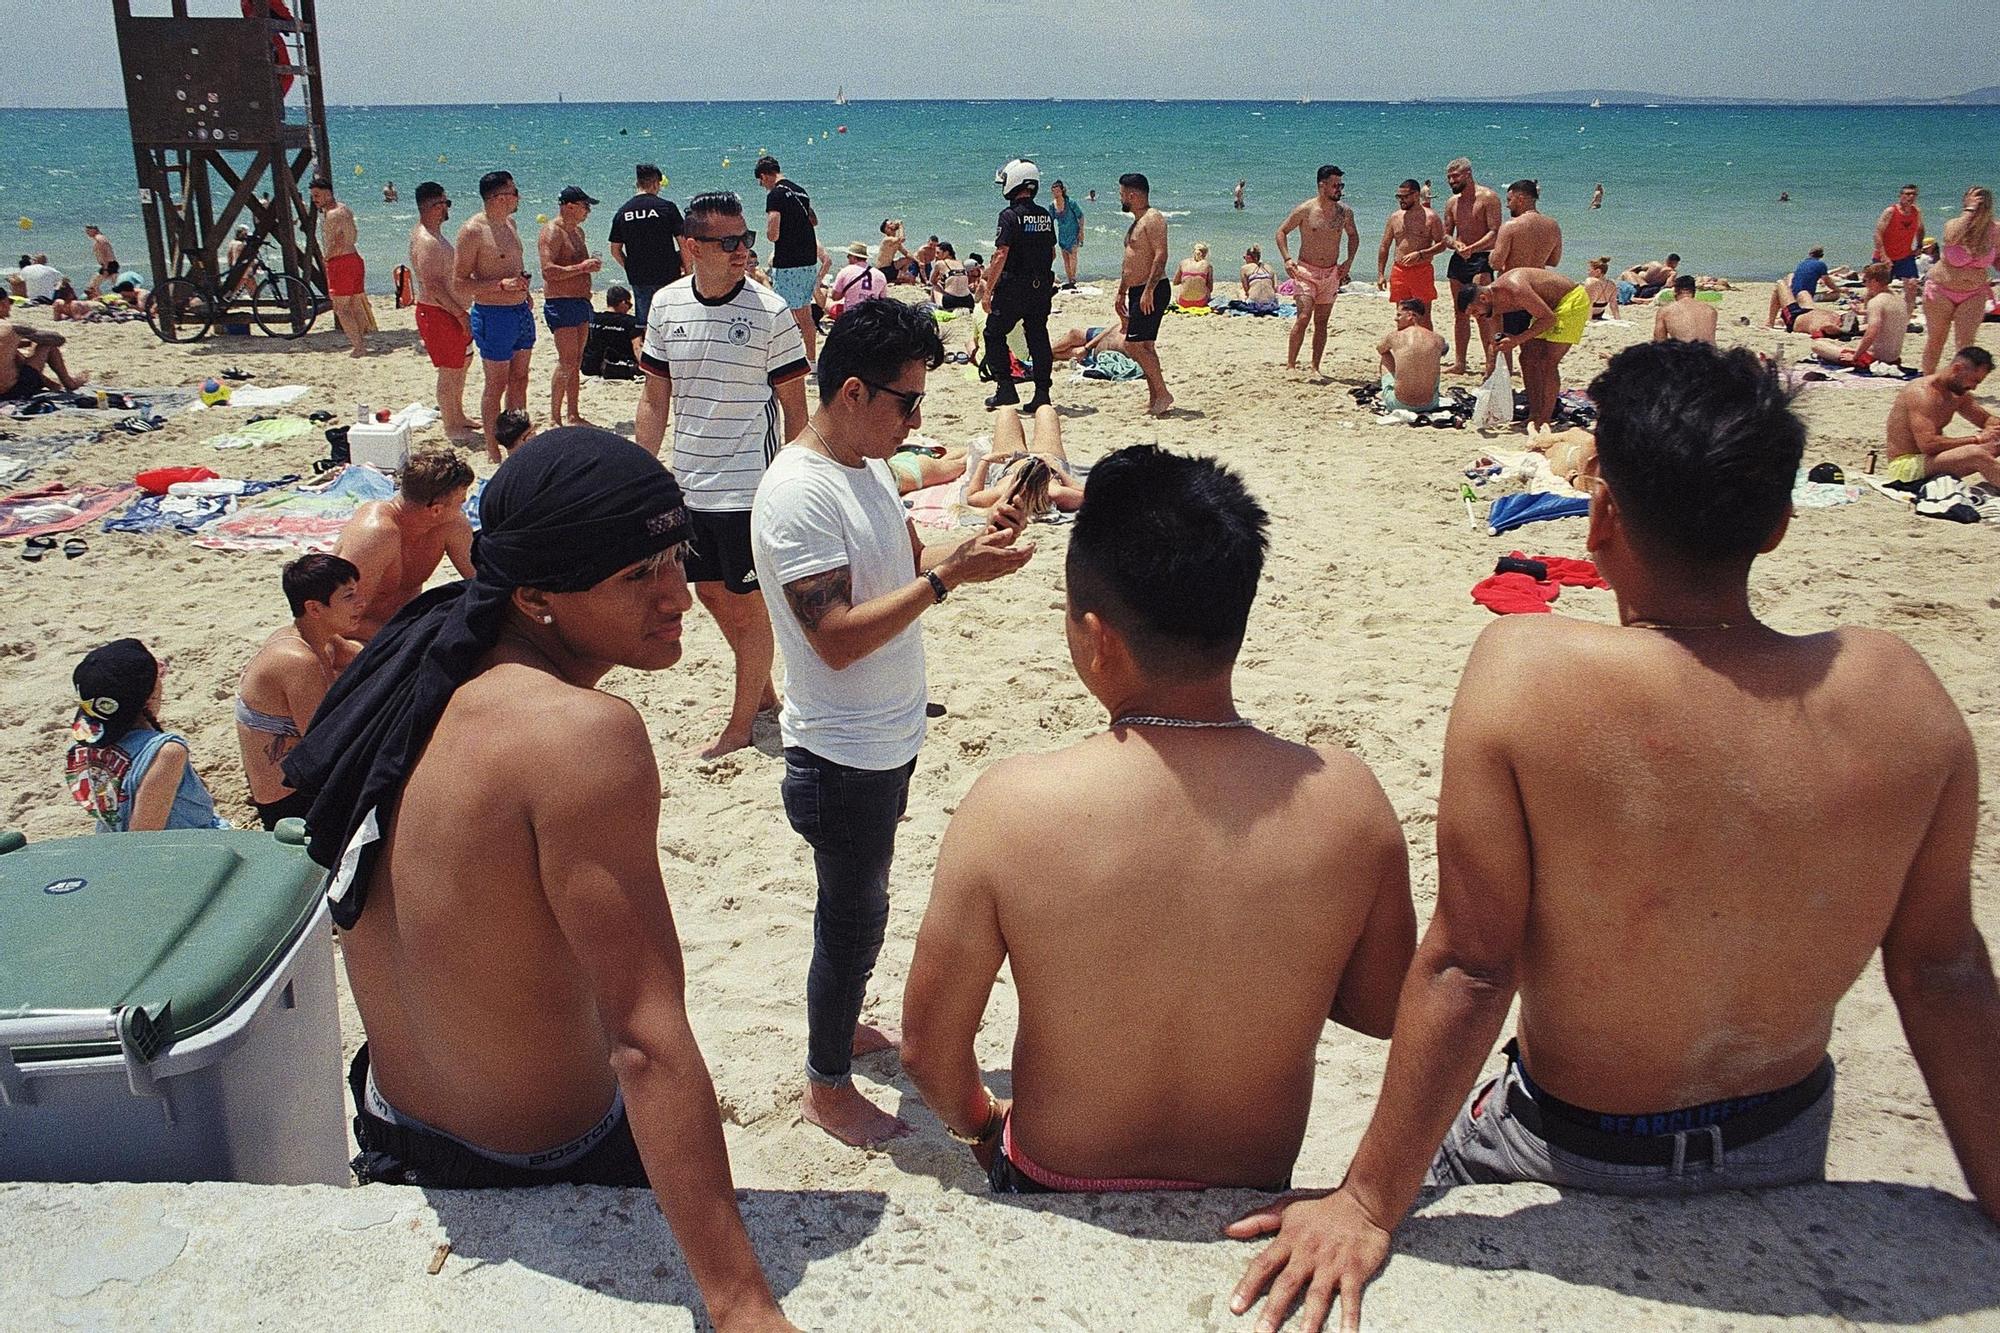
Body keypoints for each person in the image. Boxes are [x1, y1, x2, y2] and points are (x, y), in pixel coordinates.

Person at [1226, 341, 2000, 1333]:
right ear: (1774, 524)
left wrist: (1368, 1200)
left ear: (1599, 519)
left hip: (1569, 1145)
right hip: (1779, 1137)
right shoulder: (1899, 693)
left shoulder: (1527, 677)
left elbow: (1468, 966)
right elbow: (1941, 972)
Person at [282, 430, 801, 1333]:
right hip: (541, 1160)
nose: (679, 593)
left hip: (392, 1124)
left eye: (675, 556)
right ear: (535, 597)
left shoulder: (422, 664)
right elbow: (644, 1034)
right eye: (638, 574)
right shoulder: (580, 737)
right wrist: (742, 1301)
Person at [902, 443, 1415, 1194]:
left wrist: (981, 1125)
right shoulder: (1347, 802)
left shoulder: (1012, 809)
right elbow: (1381, 1008)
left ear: (1096, 637)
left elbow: (927, 1049)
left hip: (1059, 1177)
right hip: (1250, 1191)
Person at [749, 300, 1034, 1148]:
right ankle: (824, 1086)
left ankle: (839, 1037)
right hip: (839, 752)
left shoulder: (866, 463)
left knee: (859, 905)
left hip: (884, 736)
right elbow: (833, 637)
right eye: (905, 402)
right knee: (852, 916)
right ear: (848, 391)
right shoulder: (798, 494)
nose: (916, 419)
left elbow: (904, 567)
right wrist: (950, 586)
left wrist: (974, 549)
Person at [636, 191, 809, 760]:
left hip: (748, 487)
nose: (742, 251)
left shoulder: (770, 311)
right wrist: (643, 469)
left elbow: (795, 406)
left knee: (749, 603)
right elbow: (655, 396)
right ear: (692, 248)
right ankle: (761, 694)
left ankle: (741, 726)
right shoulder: (664, 305)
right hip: (687, 483)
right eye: (728, 242)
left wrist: (792, 478)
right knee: (708, 591)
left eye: (746, 239)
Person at [236, 554, 364, 830]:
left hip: (303, 782)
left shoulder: (317, 637)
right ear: (315, 609)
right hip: (288, 803)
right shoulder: (298, 660)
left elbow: (367, 659)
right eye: (349, 596)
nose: (361, 603)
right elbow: (325, 746)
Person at [65, 639, 229, 833]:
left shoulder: (86, 742)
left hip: (111, 841)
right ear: (151, 695)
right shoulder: (167, 752)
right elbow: (142, 840)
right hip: (179, 852)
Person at [333, 448, 477, 640]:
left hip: (403, 629)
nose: (464, 507)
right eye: (461, 502)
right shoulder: (376, 534)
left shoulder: (450, 525)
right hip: (353, 636)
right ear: (435, 510)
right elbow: (334, 619)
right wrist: (405, 638)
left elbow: (481, 581)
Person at [456, 169, 536, 464]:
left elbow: (514, 264)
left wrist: (522, 289)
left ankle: (517, 439)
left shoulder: (510, 224)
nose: (518, 197)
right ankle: (492, 445)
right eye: (515, 192)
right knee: (496, 384)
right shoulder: (473, 231)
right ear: (500, 197)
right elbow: (460, 282)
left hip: (518, 312)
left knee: (521, 378)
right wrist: (500, 286)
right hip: (493, 314)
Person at [1459, 266, 1587, 427]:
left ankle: (1545, 418)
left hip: (1570, 300)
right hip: (1546, 309)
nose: (1476, 316)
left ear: (1483, 298)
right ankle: (1534, 413)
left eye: (1475, 311)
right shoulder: (1491, 306)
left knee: (1548, 361)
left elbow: (1549, 319)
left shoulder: (1516, 288)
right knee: (1527, 358)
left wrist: (1517, 339)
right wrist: (1491, 369)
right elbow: (1495, 340)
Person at [981, 159, 1060, 412]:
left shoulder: (1009, 216)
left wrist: (988, 291)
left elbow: (1001, 254)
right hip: (1041, 287)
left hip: (1014, 288)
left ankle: (1005, 389)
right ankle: (1042, 394)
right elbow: (1052, 253)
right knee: (1038, 335)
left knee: (993, 333)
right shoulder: (1044, 215)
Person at [407, 181, 479, 445]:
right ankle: (451, 424)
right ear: (435, 206)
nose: (448, 208)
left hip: (447, 310)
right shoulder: (427, 240)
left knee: (462, 363)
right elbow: (432, 285)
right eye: (446, 203)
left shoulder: (432, 235)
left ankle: (458, 415)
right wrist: (460, 315)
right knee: (449, 369)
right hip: (438, 312)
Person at [1276, 165, 1359, 375]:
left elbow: (1353, 236)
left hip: (1331, 273)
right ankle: (1291, 364)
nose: (1339, 189)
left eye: (1341, 185)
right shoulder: (1306, 210)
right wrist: (1287, 259)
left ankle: (1315, 366)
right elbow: (1281, 232)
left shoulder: (1345, 212)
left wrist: (1349, 261)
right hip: (1305, 271)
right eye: (1335, 185)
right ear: (1322, 185)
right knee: (1304, 316)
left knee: (1321, 322)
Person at [1884, 346, 2000, 486]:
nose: (1974, 387)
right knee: (1976, 454)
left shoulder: (1957, 393)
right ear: (1957, 369)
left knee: (1996, 444)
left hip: (1932, 459)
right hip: (1906, 467)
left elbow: (1985, 420)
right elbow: (1928, 445)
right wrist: (1978, 439)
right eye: (1974, 380)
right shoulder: (1922, 394)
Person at [539, 185, 603, 428]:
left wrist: (588, 269)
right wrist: (581, 268)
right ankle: (555, 417)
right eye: (585, 206)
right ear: (569, 206)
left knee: (576, 361)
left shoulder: (579, 233)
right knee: (566, 361)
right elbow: (548, 272)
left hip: (580, 302)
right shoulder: (551, 232)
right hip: (560, 302)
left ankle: (573, 414)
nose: (588, 211)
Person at [1919, 186, 1997, 375]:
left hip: (1974, 292)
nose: (1979, 208)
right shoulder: (1954, 224)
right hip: (1941, 289)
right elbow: (1951, 238)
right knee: (1936, 339)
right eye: (1974, 203)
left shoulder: (1995, 231)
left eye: (1982, 204)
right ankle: (1927, 382)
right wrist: (1969, 212)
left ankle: (1959, 384)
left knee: (1965, 343)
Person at [755, 156, 821, 368]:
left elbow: (773, 232)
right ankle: (811, 360)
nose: (762, 185)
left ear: (765, 175)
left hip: (789, 260)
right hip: (808, 258)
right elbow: (813, 220)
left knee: (782, 313)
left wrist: (769, 234)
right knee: (805, 313)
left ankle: (783, 360)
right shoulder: (801, 191)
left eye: (760, 181)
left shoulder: (775, 194)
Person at [1116, 171, 1173, 415]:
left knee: (1135, 346)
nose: (1121, 199)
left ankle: (1163, 393)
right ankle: (1155, 398)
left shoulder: (1153, 218)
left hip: (1152, 289)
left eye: (1121, 194)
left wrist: (1149, 290)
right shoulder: (1136, 223)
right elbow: (1130, 262)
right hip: (1136, 290)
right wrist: (1121, 292)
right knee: (1145, 345)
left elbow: (1161, 255)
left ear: (1132, 194)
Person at [1491, 179, 1563, 367]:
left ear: (1520, 198)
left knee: (1501, 342)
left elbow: (1496, 263)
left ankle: (1502, 383)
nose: (1507, 204)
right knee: (1531, 349)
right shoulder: (1552, 225)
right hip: (1539, 292)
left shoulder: (1511, 226)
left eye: (1509, 199)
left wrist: (1492, 254)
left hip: (1512, 292)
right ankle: (1532, 392)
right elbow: (1554, 261)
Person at [963, 404, 1085, 515]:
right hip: (1048, 461)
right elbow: (1085, 494)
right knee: (1045, 410)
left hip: (1009, 465)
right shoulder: (1055, 493)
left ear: (1016, 480)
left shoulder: (1003, 491)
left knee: (1007, 410)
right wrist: (1058, 469)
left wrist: (985, 461)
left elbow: (971, 497)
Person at [1441, 157, 1503, 374]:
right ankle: (1460, 363)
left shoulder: (1488, 198)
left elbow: (1495, 232)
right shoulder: (1452, 202)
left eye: (1455, 176)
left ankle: (1490, 363)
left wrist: (1473, 247)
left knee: (1481, 312)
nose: (1451, 181)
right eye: (1449, 177)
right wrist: (1456, 243)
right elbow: (1445, 235)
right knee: (1460, 312)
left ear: (1468, 174)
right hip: (1460, 259)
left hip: (1481, 259)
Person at [607, 163, 685, 328]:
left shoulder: (623, 212)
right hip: (668, 274)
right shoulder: (666, 207)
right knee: (672, 323)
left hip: (640, 277)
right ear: (656, 183)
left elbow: (615, 250)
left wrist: (629, 267)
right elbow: (683, 243)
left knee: (646, 326)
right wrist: (688, 269)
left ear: (637, 183)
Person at [310, 175, 371, 357]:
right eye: (313, 196)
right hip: (354, 258)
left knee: (341, 309)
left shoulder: (332, 215)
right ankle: (360, 341)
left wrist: (326, 258)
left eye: (317, 195)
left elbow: (336, 242)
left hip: (341, 261)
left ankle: (358, 346)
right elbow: (353, 236)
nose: (315, 200)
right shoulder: (344, 209)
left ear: (328, 194)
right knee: (353, 304)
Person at [1810, 262, 1907, 370]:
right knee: (1834, 345)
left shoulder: (1876, 302)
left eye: (1865, 281)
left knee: (1817, 345)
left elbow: (1871, 333)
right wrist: (1862, 312)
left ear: (1874, 281)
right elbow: (1888, 315)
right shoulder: (1898, 299)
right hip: (1894, 358)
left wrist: (1855, 356)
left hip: (1873, 359)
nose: (1864, 285)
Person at [0, 291, 86, 398]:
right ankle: (69, 383)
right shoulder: (12, 328)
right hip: (12, 391)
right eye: (10, 302)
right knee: (47, 343)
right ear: (2, 304)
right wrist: (34, 341)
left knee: (12, 354)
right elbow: (59, 339)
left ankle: (50, 383)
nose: (10, 307)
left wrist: (22, 343)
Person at [1376, 178, 1444, 308]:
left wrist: (1420, 254)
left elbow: (1442, 244)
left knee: (1423, 315)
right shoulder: (1395, 217)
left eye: (1405, 196)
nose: (1401, 200)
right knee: (1402, 313)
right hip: (1399, 270)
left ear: (1416, 195)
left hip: (1422, 270)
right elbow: (1384, 246)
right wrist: (1380, 274)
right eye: (1398, 196)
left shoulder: (1431, 217)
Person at [1376, 298, 1445, 413]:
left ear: (1410, 315)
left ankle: (1392, 388)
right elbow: (1444, 350)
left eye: (1399, 315)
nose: (1395, 319)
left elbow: (1380, 349)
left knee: (1385, 355)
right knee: (1431, 358)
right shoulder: (1438, 339)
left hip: (1399, 404)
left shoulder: (1395, 336)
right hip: (1431, 404)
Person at [1875, 183, 1924, 309]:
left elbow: (1920, 229)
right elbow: (1877, 234)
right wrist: (1884, 256)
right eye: (1907, 194)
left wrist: (1919, 246)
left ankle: (1905, 322)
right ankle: (1867, 318)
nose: (1911, 197)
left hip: (1905, 256)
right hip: (1885, 256)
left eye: (1914, 194)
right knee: (1876, 290)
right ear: (1901, 196)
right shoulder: (1891, 211)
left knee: (1912, 286)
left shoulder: (1916, 212)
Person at [583, 284, 643, 379]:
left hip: (590, 368)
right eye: (629, 304)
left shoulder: (593, 319)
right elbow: (637, 347)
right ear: (623, 302)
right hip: (621, 367)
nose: (629, 308)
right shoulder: (631, 322)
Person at [1652, 275, 1718, 344]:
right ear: (1694, 292)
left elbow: (1659, 341)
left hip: (1684, 352)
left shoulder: (1665, 311)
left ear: (1675, 291)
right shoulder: (1710, 310)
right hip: (1708, 353)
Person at [830, 241, 887, 314]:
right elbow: (882, 299)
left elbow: (835, 297)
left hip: (852, 315)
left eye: (848, 256)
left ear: (853, 257)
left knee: (829, 304)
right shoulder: (880, 275)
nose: (848, 259)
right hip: (872, 316)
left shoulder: (845, 271)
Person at [1049, 180, 1084, 289]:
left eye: (1058, 191)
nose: (1056, 194)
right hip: (1062, 234)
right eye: (1054, 192)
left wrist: (1081, 232)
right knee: (1065, 258)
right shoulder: (1052, 205)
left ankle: (1073, 279)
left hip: (1073, 232)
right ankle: (1070, 280)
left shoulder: (1070, 202)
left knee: (1073, 256)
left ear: (1062, 191)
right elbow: (1050, 221)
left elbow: (1081, 216)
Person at [1234, 245, 1281, 313]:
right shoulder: (1269, 267)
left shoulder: (1244, 268)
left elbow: (1246, 289)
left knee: (1240, 291)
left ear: (1249, 257)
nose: (1244, 259)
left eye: (1245, 257)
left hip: (1254, 304)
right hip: (1272, 304)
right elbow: (1275, 288)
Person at [930, 241, 975, 311]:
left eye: (938, 253)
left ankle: (934, 307)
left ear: (946, 253)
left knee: (935, 287)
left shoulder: (940, 263)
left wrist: (940, 282)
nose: (936, 255)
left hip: (951, 302)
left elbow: (932, 281)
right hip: (968, 302)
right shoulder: (960, 262)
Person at [1174, 242, 1214, 308]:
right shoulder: (1208, 265)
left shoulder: (1183, 262)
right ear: (1206, 254)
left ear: (1193, 252)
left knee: (1180, 289)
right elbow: (1210, 288)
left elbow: (1175, 282)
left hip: (1183, 301)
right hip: (1201, 302)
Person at [83, 225, 117, 299]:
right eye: (86, 231)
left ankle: (104, 301)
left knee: (92, 286)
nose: (87, 233)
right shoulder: (101, 237)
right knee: (117, 286)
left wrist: (105, 268)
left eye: (88, 231)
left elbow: (105, 253)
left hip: (107, 265)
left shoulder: (99, 239)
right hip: (111, 264)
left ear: (94, 230)